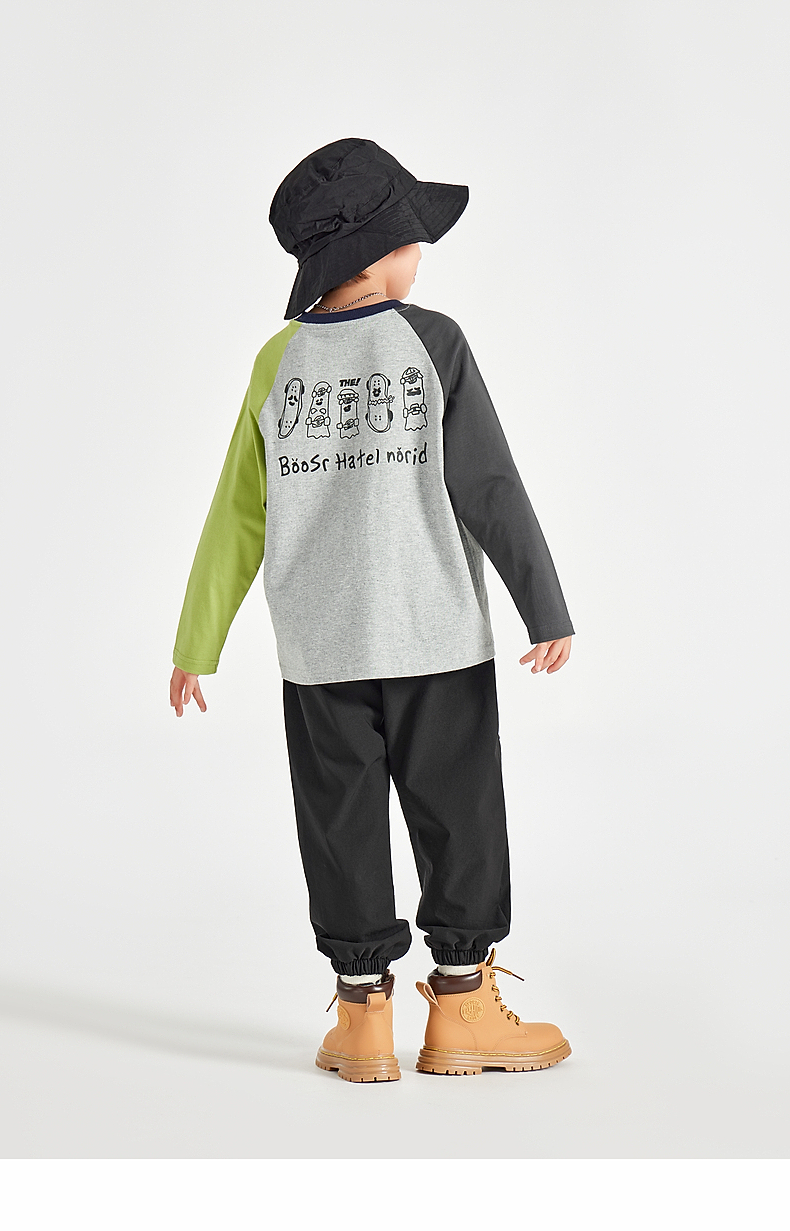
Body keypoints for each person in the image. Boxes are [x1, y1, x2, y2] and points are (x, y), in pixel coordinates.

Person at [169, 138, 576, 1082]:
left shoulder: (278, 362)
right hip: (436, 637)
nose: (421, 254)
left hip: (321, 651)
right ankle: (463, 1009)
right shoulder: (434, 344)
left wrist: (197, 642)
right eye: (412, 237)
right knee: (459, 814)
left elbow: (238, 512)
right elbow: (489, 484)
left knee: (339, 822)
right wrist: (544, 605)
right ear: (378, 248)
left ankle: (361, 1019)